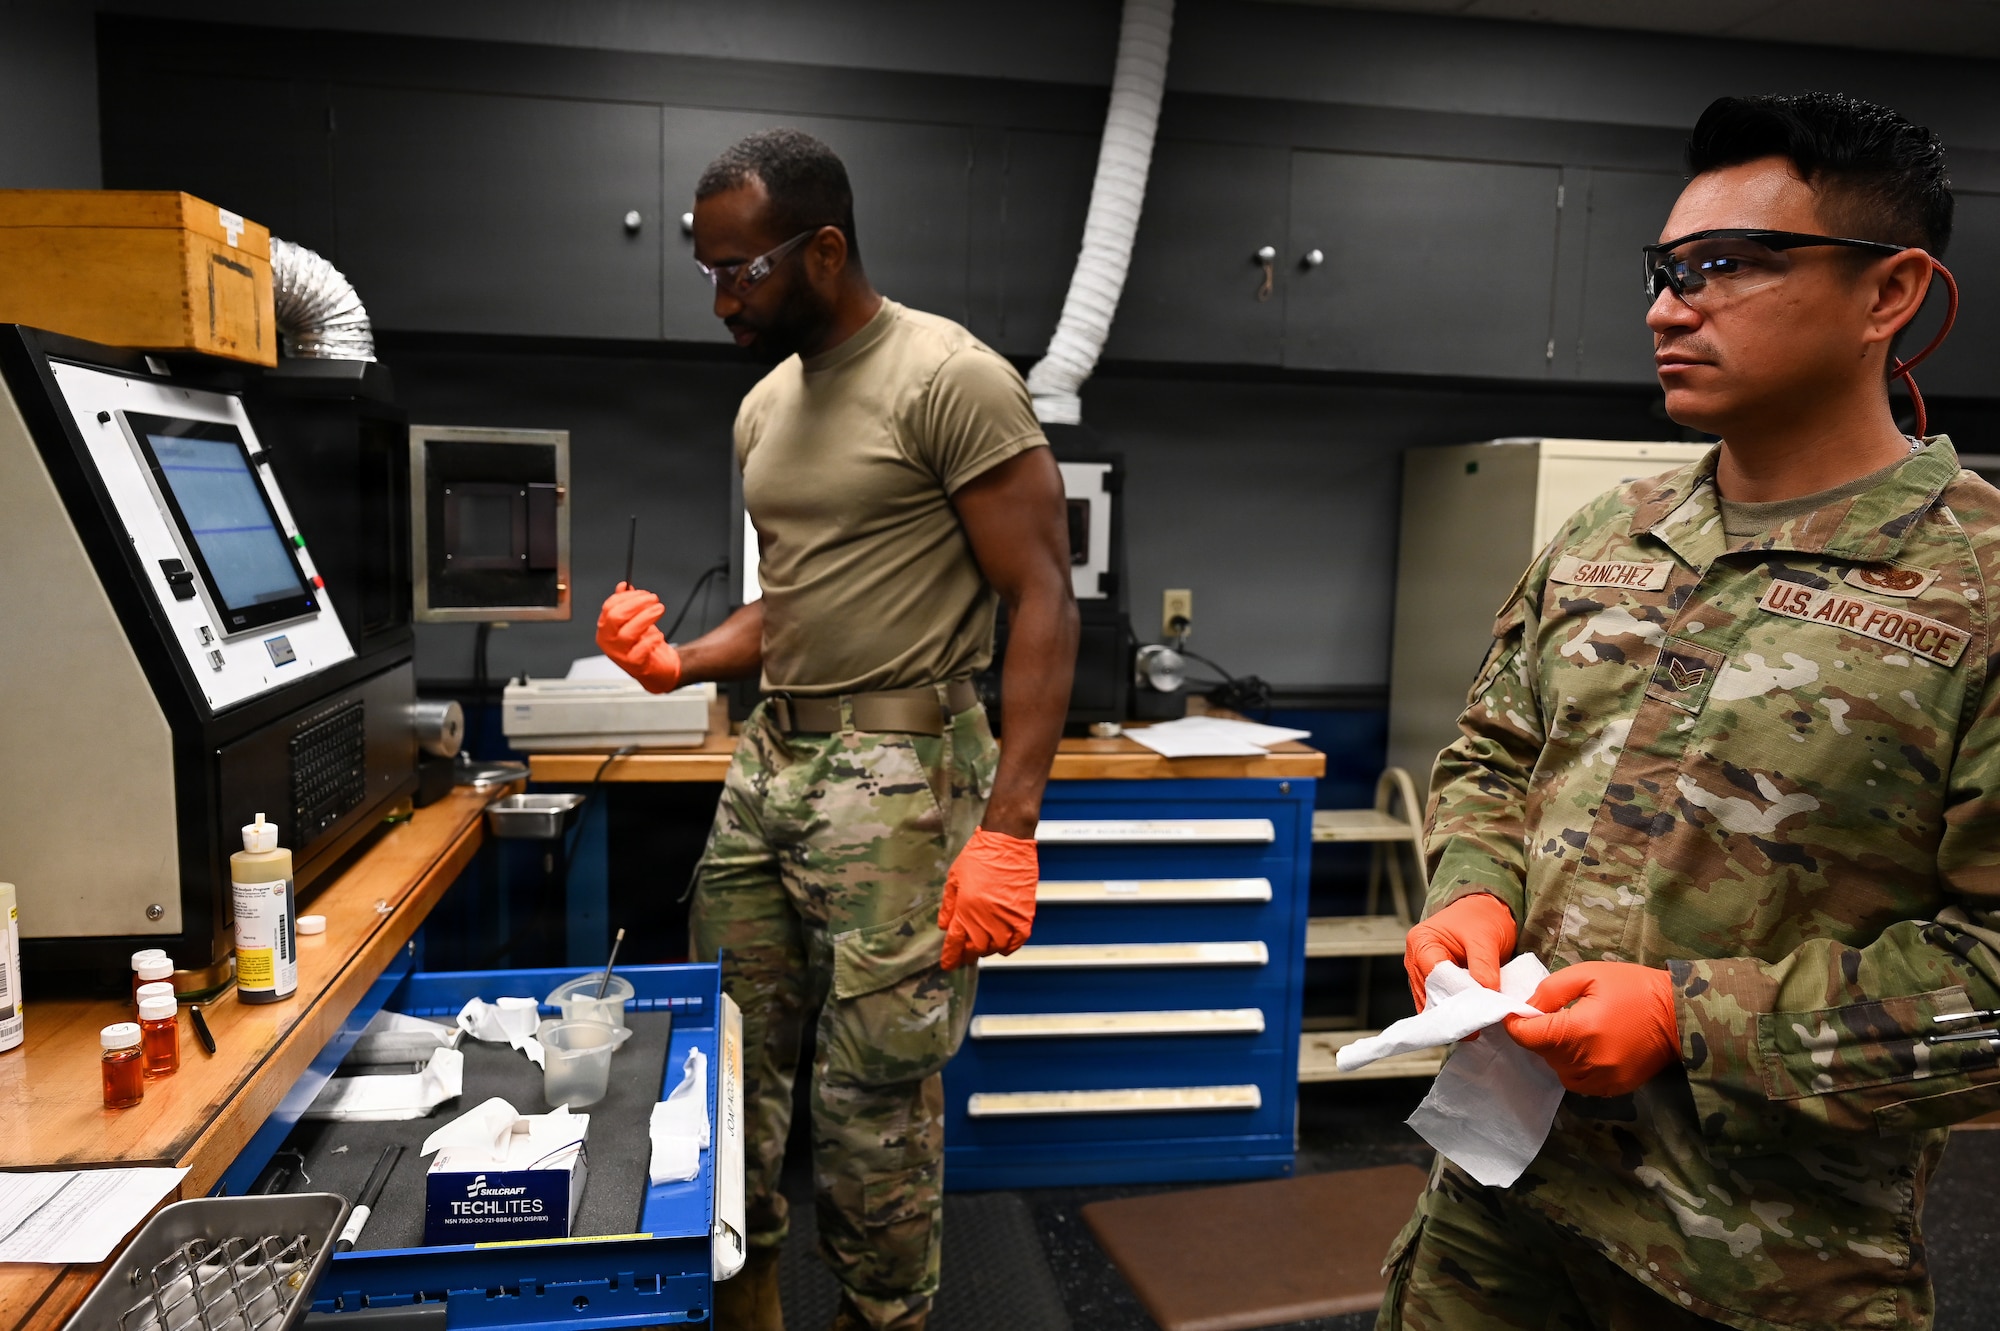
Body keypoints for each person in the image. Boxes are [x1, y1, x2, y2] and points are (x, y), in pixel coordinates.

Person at [1383, 92, 2000, 1331]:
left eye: (1726, 266)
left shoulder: (1975, 585)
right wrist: (1472, 891)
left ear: (1887, 294)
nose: (1666, 308)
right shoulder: (1608, 535)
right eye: (1664, 270)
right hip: (1496, 1207)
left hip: (1760, 1270)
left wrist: (1690, 1020)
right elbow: (1495, 753)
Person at [595, 129, 1078, 1331]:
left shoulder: (948, 378)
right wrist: (678, 660)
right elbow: (793, 602)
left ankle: (884, 1314)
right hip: (771, 763)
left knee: (871, 1103)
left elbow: (1042, 595)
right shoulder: (763, 408)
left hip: (902, 777)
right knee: (725, 1070)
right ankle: (745, 1300)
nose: (721, 300)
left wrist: (1007, 830)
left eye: (740, 271)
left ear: (822, 249)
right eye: (707, 272)